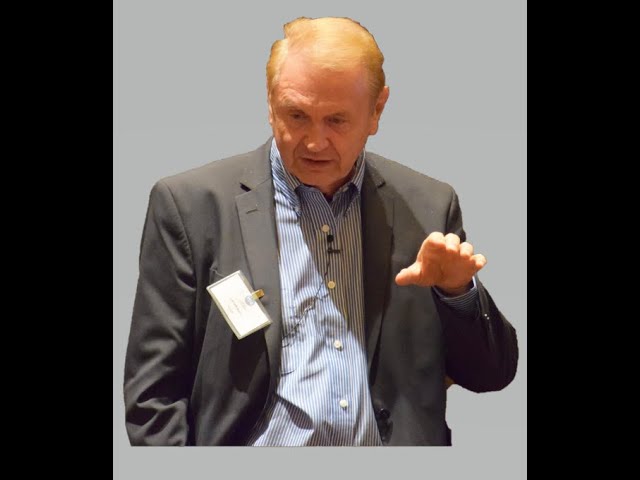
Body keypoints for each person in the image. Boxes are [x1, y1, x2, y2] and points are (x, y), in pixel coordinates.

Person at [124, 16, 518, 446]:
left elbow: (491, 376)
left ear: (377, 110)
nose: (314, 142)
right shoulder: (191, 206)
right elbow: (152, 398)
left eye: (336, 120)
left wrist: (457, 293)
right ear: (270, 102)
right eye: (296, 115)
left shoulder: (428, 206)